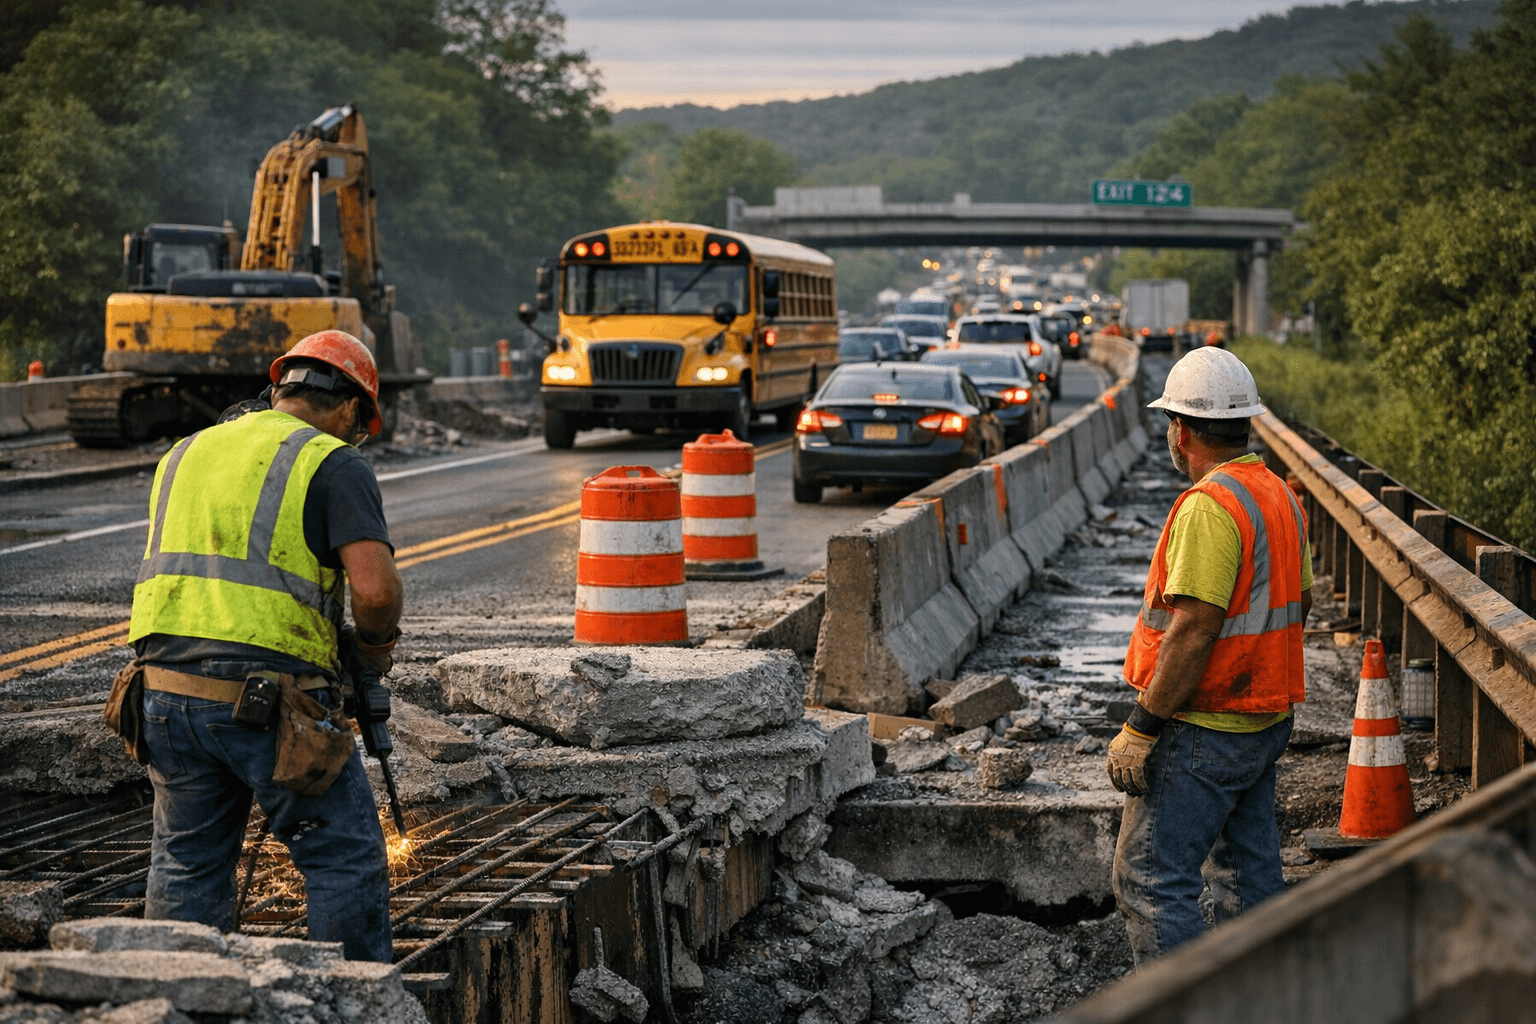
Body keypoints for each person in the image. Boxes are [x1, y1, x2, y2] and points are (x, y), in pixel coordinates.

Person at [126, 330, 402, 961]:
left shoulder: (185, 452)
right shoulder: (333, 461)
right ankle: (350, 1000)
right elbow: (377, 593)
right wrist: (372, 653)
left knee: (186, 861)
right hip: (266, 702)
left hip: (162, 692)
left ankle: (175, 994)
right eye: (359, 427)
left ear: (280, 388)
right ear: (349, 408)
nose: (355, 439)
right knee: (344, 856)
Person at [1105, 346, 1312, 963]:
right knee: (1249, 881)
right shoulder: (1278, 494)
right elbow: (1298, 602)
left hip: (1204, 726)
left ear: (1182, 429)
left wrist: (1143, 726)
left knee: (1149, 879)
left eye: (1172, 423)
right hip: (1264, 718)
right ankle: (1267, 1003)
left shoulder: (1209, 506)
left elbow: (1194, 630)